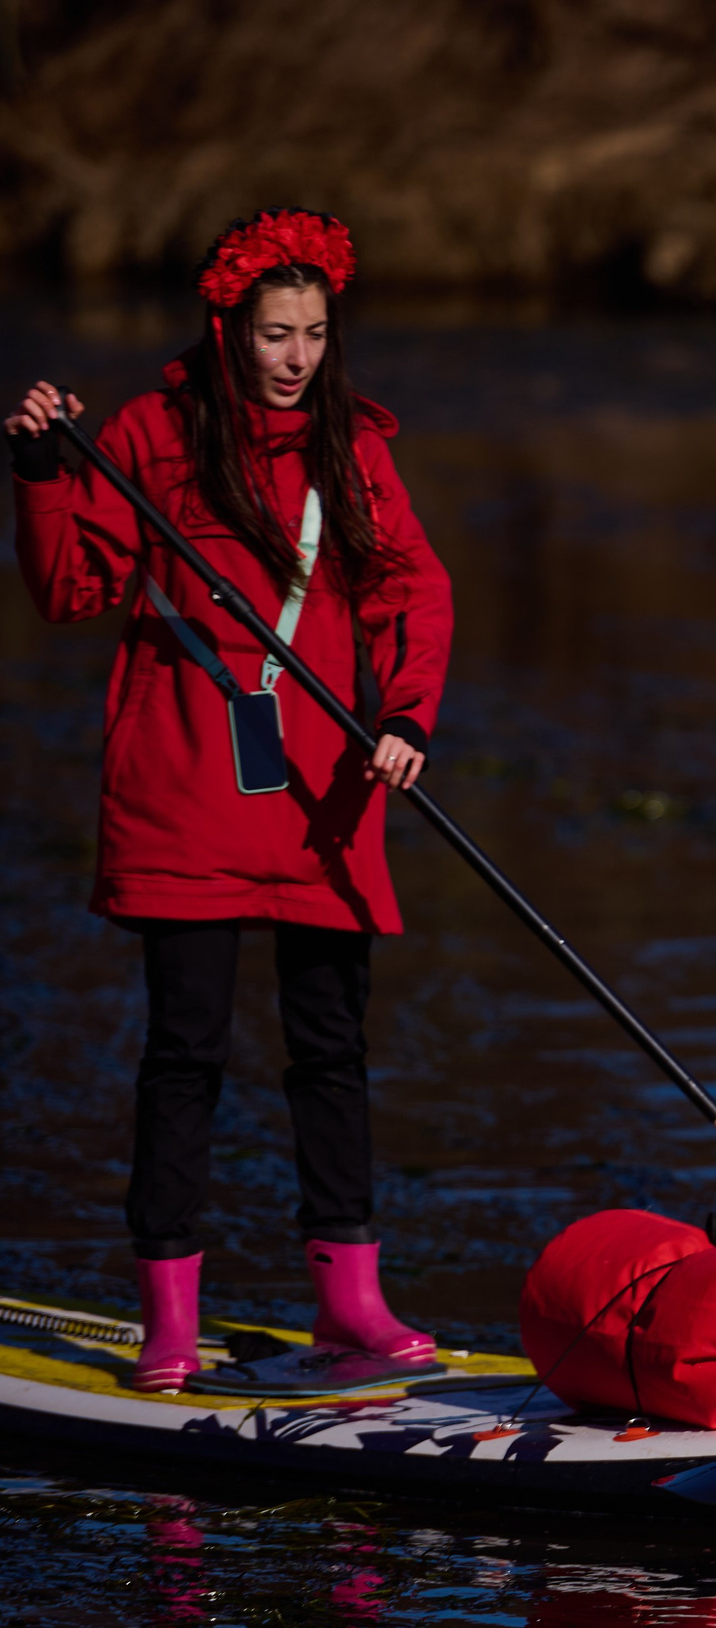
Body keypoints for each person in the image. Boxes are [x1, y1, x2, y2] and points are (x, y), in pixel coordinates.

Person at [6, 208, 453, 1392]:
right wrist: (44, 469)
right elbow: (67, 585)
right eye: (274, 333)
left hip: (324, 783)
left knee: (332, 1049)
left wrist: (406, 715)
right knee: (186, 1051)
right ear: (228, 330)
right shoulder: (152, 434)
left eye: (312, 332)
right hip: (189, 779)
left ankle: (350, 1300)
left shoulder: (355, 444)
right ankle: (168, 1313)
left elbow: (415, 589)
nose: (296, 355)